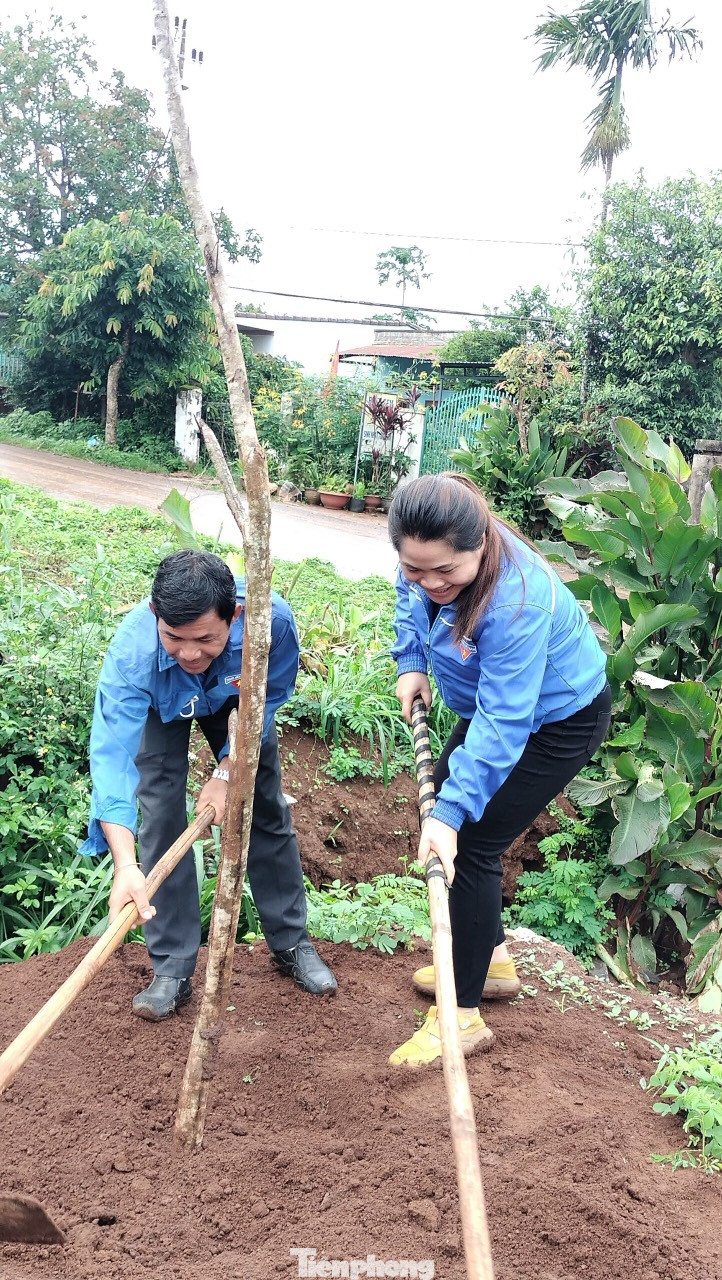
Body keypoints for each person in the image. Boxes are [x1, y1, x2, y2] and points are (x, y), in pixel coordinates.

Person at [387, 473, 610, 1066]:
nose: (431, 583)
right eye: (416, 568)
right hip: (494, 707)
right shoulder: (425, 553)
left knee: (473, 842)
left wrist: (452, 813)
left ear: (480, 544)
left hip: (556, 722)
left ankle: (459, 1019)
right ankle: (495, 965)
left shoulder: (516, 600)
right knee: (461, 827)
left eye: (446, 573)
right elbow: (410, 600)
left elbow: (506, 722)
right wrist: (412, 662)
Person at [81, 549, 337, 1019]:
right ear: (156, 615)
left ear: (234, 614)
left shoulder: (269, 622)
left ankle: (290, 943)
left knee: (264, 805)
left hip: (238, 699)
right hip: (162, 708)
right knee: (160, 815)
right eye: (174, 638)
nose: (190, 652)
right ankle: (173, 966)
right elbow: (113, 759)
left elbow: (269, 697)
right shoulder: (133, 656)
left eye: (205, 638)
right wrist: (124, 864)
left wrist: (226, 770)